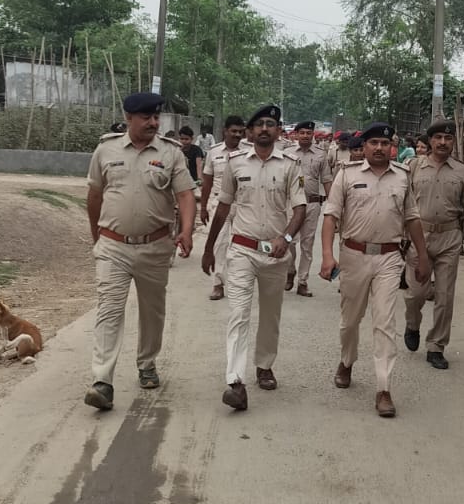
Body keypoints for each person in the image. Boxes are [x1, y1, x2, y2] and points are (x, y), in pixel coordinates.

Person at [84, 92, 195, 411]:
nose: (153, 122)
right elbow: (94, 195)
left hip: (155, 247)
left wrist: (187, 230)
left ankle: (147, 364)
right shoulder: (106, 149)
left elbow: (185, 195)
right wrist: (97, 236)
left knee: (152, 310)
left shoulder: (171, 152)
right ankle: (102, 381)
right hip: (113, 246)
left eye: (156, 117)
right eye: (146, 117)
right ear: (129, 118)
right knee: (109, 309)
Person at [320, 121, 430, 419]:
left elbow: (412, 218)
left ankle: (383, 387)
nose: (379, 148)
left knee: (384, 322)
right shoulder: (347, 175)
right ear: (365, 146)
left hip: (389, 257)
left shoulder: (402, 176)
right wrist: (328, 255)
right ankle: (347, 361)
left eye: (385, 143)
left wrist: (422, 257)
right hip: (353, 256)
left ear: (391, 146)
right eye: (374, 143)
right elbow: (330, 216)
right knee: (350, 321)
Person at [201, 103, 306, 411]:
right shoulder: (235, 163)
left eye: (270, 124)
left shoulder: (290, 165)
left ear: (278, 131)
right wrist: (208, 248)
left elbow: (300, 209)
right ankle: (235, 381)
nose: (264, 129)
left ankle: (264, 366)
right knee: (239, 314)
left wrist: (286, 239)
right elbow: (223, 206)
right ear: (250, 131)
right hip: (242, 249)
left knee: (270, 315)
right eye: (259, 124)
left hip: (275, 253)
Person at [404, 120, 464, 370]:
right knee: (415, 294)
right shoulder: (413, 167)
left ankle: (436, 346)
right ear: (430, 141)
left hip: (450, 238)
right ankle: (412, 324)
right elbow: (401, 203)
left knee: (444, 296)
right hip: (419, 238)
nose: (443, 142)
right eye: (438, 138)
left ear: (453, 142)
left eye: (448, 138)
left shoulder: (462, 172)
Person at [200, 114, 246, 300]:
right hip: (219, 205)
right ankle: (218, 283)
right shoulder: (214, 152)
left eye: (240, 132)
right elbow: (207, 182)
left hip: (242, 205)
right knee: (220, 244)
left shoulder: (249, 152)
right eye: (233, 131)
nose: (237, 135)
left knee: (241, 246)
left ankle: (239, 282)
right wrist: (203, 207)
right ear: (225, 131)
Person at [286, 119, 332, 296]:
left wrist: (333, 207)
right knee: (289, 241)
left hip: (312, 204)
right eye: (302, 133)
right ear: (296, 134)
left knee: (307, 244)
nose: (305, 136)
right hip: (291, 205)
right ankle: (290, 270)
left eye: (308, 133)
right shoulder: (287, 153)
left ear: (313, 135)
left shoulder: (321, 154)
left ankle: (302, 281)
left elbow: (326, 180)